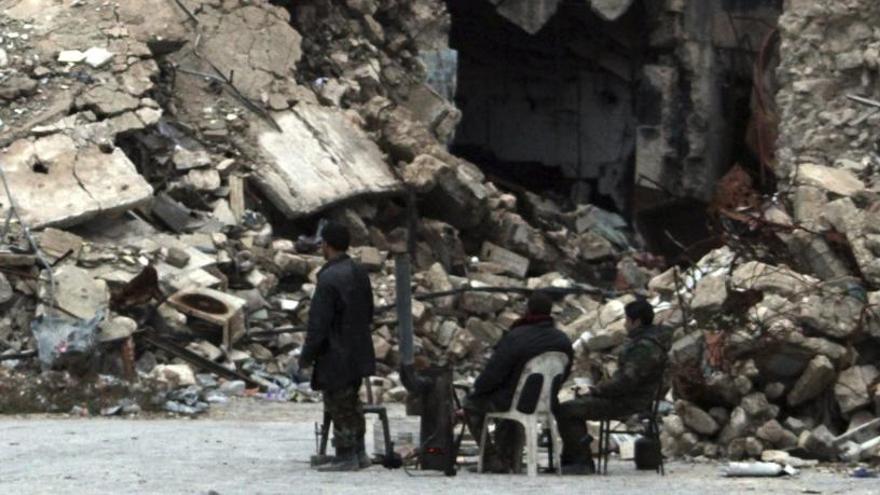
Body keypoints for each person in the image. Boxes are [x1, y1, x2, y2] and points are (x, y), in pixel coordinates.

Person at [462, 291, 573, 473]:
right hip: (545, 403)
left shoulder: (516, 336)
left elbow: (494, 373)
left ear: (528, 310)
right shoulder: (562, 339)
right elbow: (564, 373)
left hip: (513, 401)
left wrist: (477, 391)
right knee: (511, 401)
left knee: (472, 404)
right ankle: (510, 457)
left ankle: (492, 458)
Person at [557, 299, 670, 474]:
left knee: (567, 410)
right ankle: (576, 458)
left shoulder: (644, 347)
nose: (624, 324)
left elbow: (625, 382)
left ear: (636, 322)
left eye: (627, 320)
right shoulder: (648, 341)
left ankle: (581, 461)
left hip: (628, 401)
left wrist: (596, 390)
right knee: (575, 404)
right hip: (630, 397)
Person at [299, 222, 375, 472]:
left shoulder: (328, 278)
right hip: (358, 350)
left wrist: (307, 355)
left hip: (336, 353)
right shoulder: (359, 272)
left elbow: (318, 323)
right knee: (353, 403)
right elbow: (369, 312)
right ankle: (360, 452)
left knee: (338, 405)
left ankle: (345, 455)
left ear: (326, 245)